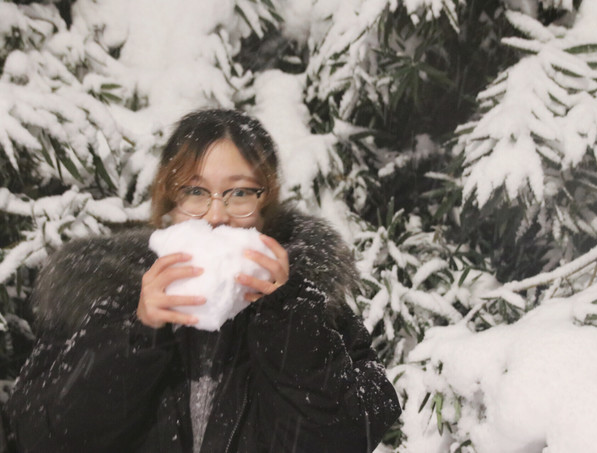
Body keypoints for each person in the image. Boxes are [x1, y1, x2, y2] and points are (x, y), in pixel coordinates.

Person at [4, 109, 401, 452]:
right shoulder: (97, 297)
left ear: (268, 205)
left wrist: (287, 317)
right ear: (169, 201)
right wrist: (137, 335)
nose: (216, 215)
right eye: (195, 191)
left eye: (240, 193)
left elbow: (343, 439)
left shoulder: (313, 308)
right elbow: (41, 436)